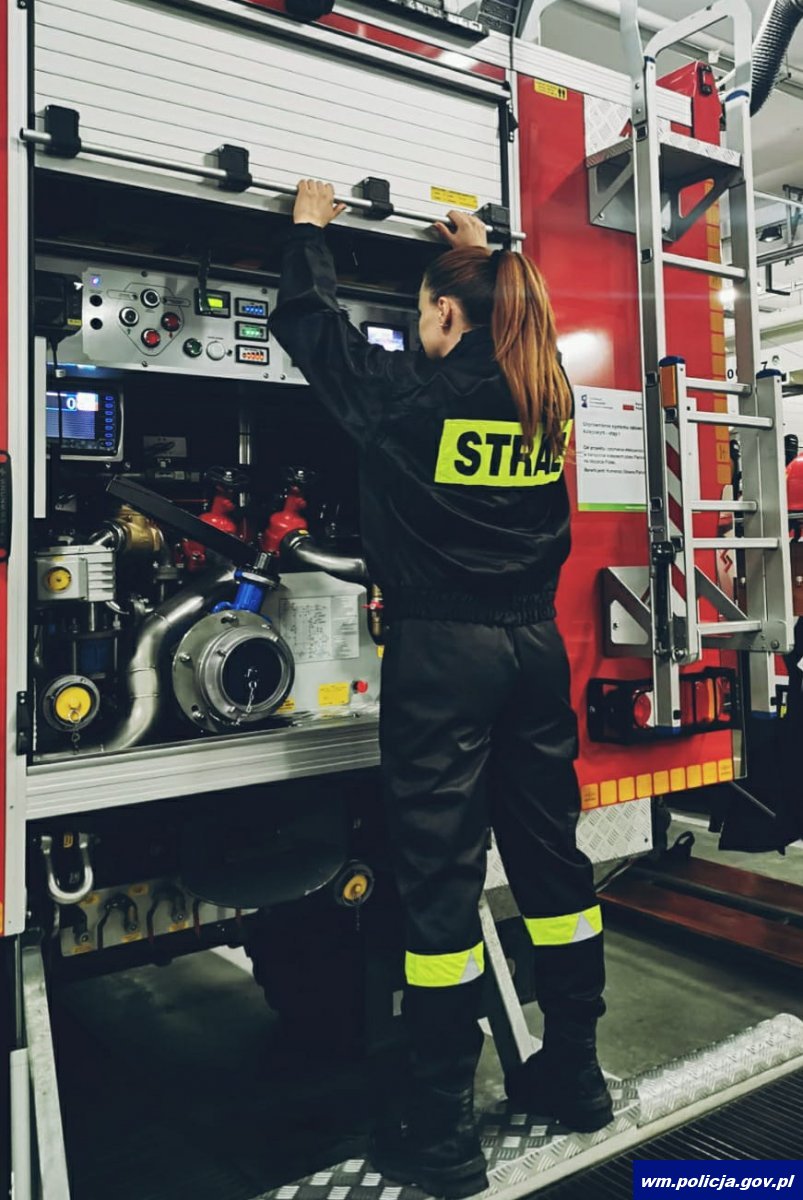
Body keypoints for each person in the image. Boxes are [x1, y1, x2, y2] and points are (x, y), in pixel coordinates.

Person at [269, 180, 612, 1200]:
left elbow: (313, 331)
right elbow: (515, 315)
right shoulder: (546, 391)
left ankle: (442, 1127)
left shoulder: (407, 401)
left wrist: (307, 233)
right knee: (552, 866)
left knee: (439, 886)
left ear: (449, 316)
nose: (414, 327)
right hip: (532, 653)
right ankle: (575, 1073)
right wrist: (487, 246)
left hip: (443, 658)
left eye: (423, 310)